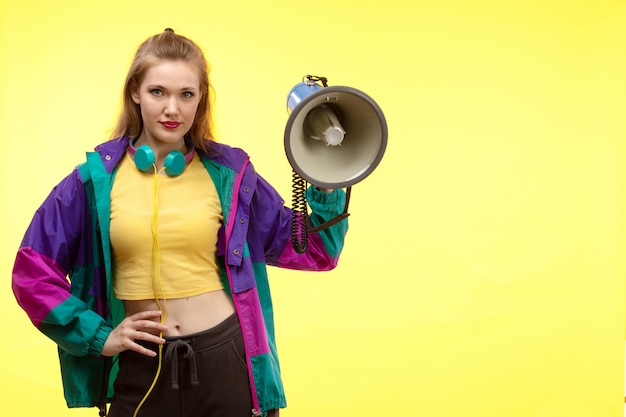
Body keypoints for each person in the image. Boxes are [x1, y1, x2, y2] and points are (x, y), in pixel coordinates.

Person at [12, 28, 348, 417]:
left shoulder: (230, 176)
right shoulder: (92, 183)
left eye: (186, 94)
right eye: (158, 92)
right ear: (135, 91)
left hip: (226, 360)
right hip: (142, 365)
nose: (173, 108)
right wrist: (98, 335)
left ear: (200, 99)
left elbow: (318, 251)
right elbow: (31, 273)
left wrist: (327, 176)